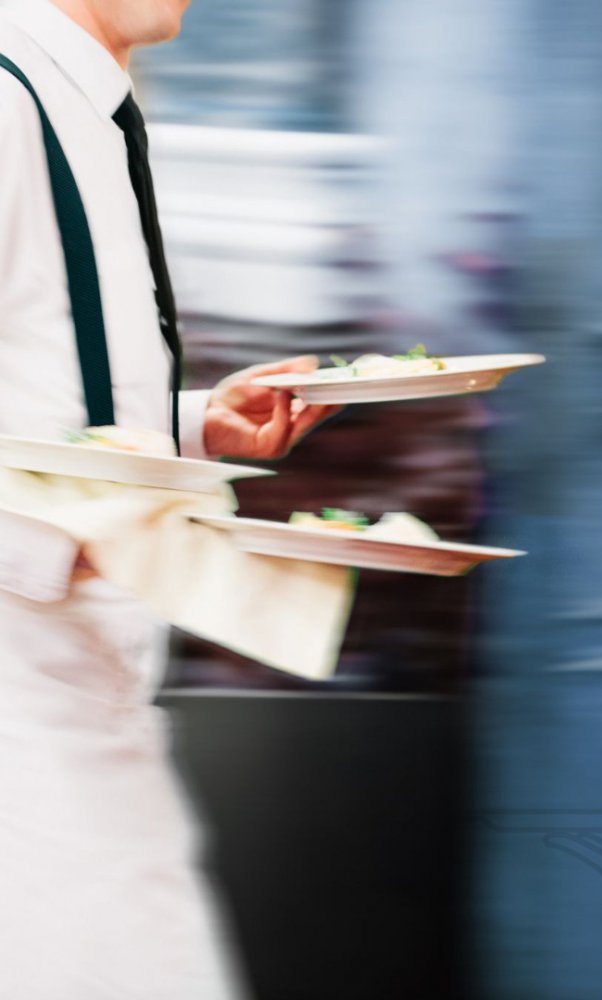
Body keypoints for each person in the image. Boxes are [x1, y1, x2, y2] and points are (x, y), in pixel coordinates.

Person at [0, 0, 337, 996]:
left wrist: (194, 427)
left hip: (88, 690)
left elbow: (44, 384)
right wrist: (71, 537)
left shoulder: (81, 102)